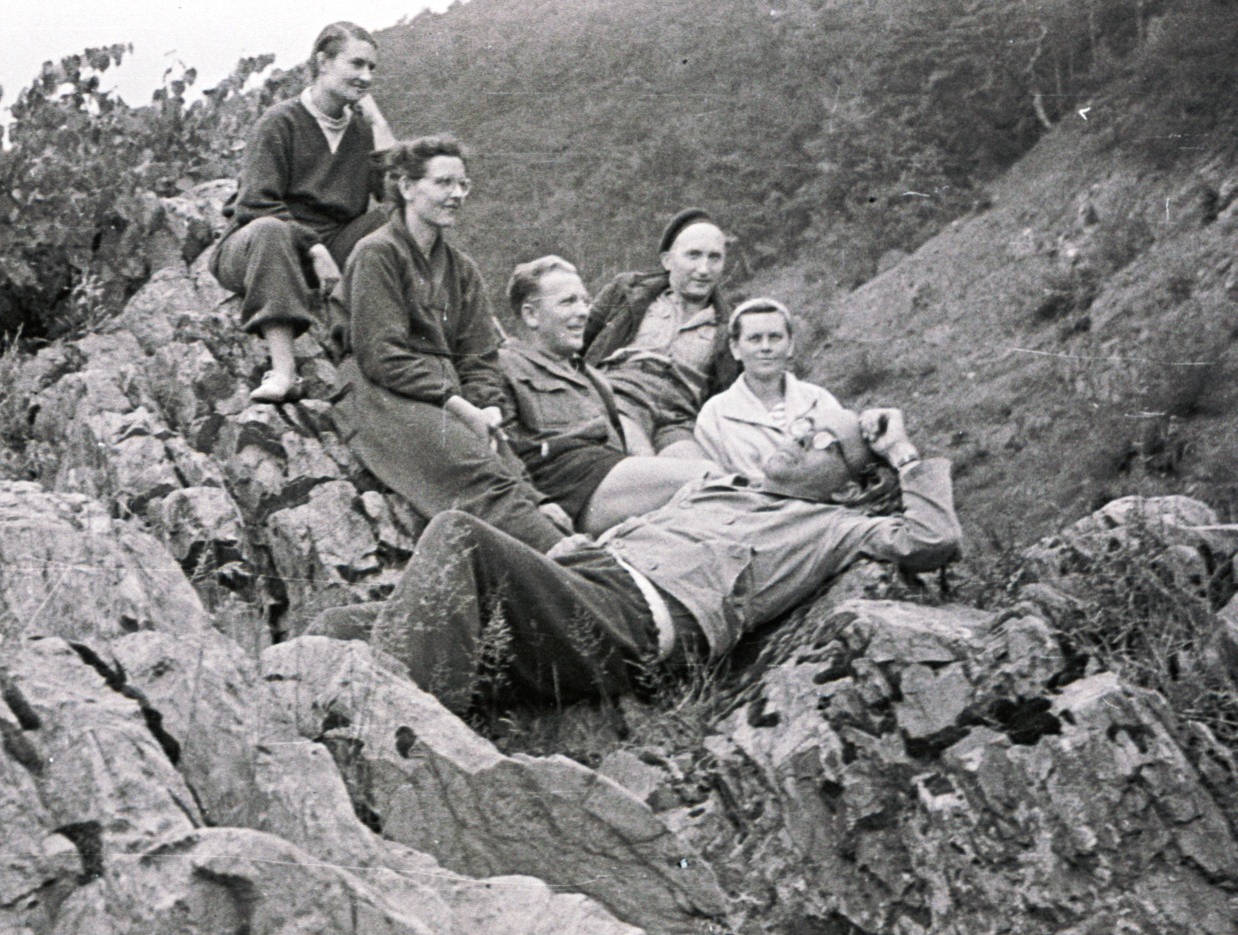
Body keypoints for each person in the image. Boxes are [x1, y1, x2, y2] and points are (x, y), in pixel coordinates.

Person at [318, 406, 959, 715]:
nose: (797, 435)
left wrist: (902, 453)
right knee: (339, 628)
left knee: (459, 534)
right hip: (580, 588)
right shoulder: (717, 485)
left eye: (824, 442)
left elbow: (932, 539)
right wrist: (578, 550)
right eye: (803, 424)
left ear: (848, 484)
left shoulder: (833, 526)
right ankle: (361, 730)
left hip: (629, 621)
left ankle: (412, 739)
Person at [331, 135, 569, 553]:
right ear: (406, 187)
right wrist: (459, 406)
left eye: (463, 185)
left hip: (445, 394)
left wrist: (486, 403)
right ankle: (572, 566)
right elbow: (381, 355)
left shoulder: (462, 269)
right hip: (381, 394)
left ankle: (566, 554)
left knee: (529, 491)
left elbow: (478, 356)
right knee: (476, 474)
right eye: (444, 183)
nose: (457, 194)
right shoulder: (377, 254)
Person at [212, 22, 397, 403]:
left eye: (372, 69)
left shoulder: (362, 131)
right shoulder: (280, 122)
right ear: (323, 62)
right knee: (271, 232)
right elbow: (255, 203)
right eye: (356, 64)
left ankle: (382, 353)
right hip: (260, 243)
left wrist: (378, 123)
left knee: (391, 226)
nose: (365, 77)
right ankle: (283, 371)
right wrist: (313, 249)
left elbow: (398, 195)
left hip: (334, 240)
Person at [498, 256, 725, 534]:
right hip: (565, 485)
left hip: (608, 477)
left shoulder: (594, 378)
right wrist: (537, 503)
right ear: (531, 314)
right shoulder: (502, 366)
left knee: (713, 508)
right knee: (707, 479)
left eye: (585, 300)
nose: (583, 311)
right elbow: (495, 450)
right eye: (568, 302)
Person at [580, 208, 738, 457]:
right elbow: (577, 339)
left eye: (714, 258)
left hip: (679, 417)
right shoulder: (628, 292)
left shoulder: (731, 326)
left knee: (701, 473)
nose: (704, 269)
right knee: (642, 457)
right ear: (667, 260)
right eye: (693, 255)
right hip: (620, 397)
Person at [694, 297, 843, 478]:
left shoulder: (819, 400)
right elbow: (713, 483)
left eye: (775, 337)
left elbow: (841, 463)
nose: (766, 347)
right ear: (735, 348)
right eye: (754, 339)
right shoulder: (714, 414)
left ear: (790, 345)